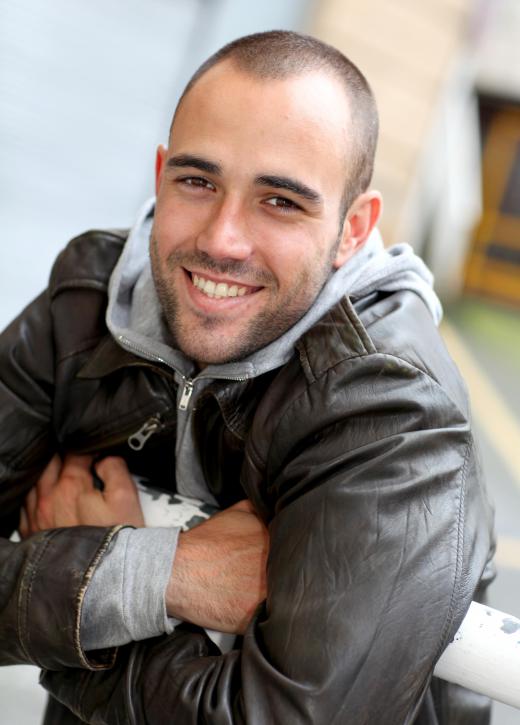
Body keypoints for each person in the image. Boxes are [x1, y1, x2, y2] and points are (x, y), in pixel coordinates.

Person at [0, 30, 494, 724]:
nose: (222, 238)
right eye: (198, 181)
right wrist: (153, 572)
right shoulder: (84, 304)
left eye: (281, 201)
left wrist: (77, 601)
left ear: (354, 228)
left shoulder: (393, 408)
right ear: (160, 175)